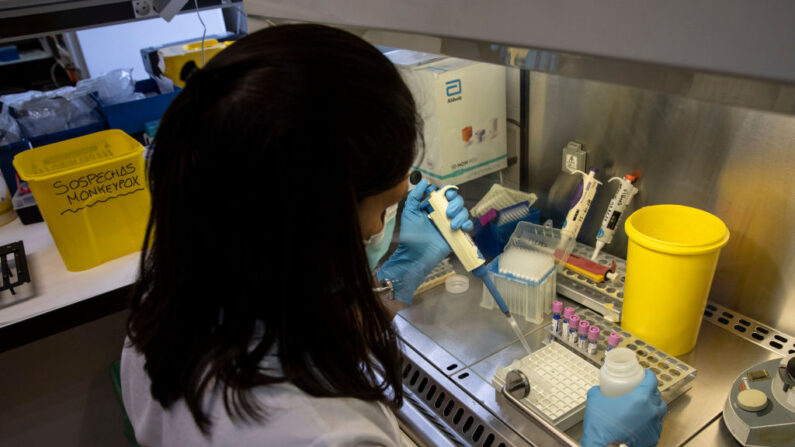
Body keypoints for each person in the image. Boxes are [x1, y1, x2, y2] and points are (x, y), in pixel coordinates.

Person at [121, 24, 665, 446]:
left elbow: (297, 332)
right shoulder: (326, 434)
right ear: (310, 230)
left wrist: (396, 282)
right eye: (384, 209)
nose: (385, 226)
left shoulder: (170, 300)